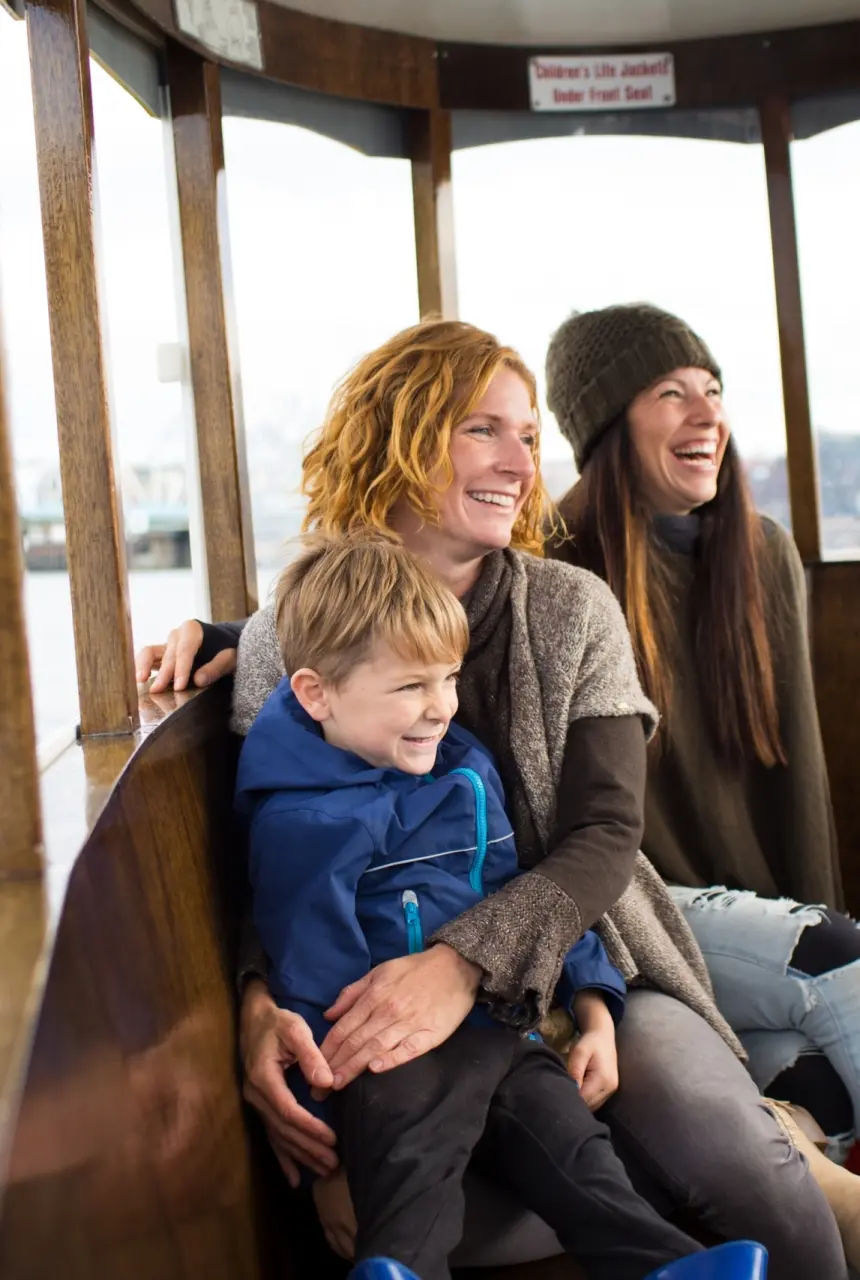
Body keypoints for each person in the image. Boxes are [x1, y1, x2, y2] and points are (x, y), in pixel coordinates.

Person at [135, 318, 847, 1280]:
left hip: (597, 955)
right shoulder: (283, 634)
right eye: (484, 430)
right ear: (401, 438)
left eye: (526, 434)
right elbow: (279, 858)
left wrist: (482, 969)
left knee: (749, 1169)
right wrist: (258, 1004)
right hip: (374, 996)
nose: (521, 461)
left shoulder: (569, 608)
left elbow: (602, 834)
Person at [235, 532, 711, 1280]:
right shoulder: (304, 822)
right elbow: (307, 981)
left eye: (448, 679)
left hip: (498, 1030)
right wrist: (327, 1167)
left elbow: (518, 893)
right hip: (387, 1061)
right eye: (409, 688)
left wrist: (593, 999)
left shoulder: (462, 769)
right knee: (414, 1170)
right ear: (315, 693)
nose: (439, 708)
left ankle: (669, 1267)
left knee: (578, 1154)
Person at [544, 302, 860, 1167]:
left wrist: (816, 910)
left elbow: (798, 787)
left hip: (758, 930)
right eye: (671, 391)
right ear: (609, 424)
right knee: (845, 964)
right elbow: (397, 602)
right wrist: (234, 642)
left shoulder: (759, 553)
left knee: (817, 1099)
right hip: (640, 915)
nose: (707, 413)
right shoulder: (550, 567)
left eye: (714, 390)